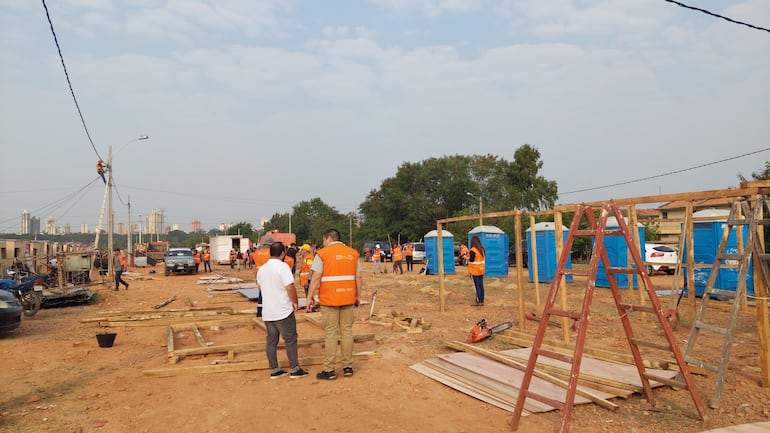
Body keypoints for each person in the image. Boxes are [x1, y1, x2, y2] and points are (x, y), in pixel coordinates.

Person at [306, 228, 361, 380]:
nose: (324, 243)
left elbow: (316, 277)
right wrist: (357, 296)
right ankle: (348, 367)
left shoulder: (323, 254)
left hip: (329, 300)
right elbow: (358, 277)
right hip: (348, 298)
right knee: (347, 332)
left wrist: (309, 297)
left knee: (331, 333)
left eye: (324, 240)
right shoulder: (353, 254)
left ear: (328, 238)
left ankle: (329, 370)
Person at [256, 241, 309, 379]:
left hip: (268, 312)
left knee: (271, 340)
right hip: (283, 310)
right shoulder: (283, 267)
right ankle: (294, 368)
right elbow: (290, 287)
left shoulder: (262, 269)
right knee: (290, 339)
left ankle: (274, 369)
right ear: (282, 253)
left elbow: (260, 287)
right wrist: (295, 302)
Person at [468, 236, 486, 306]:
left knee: (477, 286)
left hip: (474, 270)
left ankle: (478, 301)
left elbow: (472, 260)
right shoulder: (482, 249)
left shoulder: (473, 250)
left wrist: (467, 259)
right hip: (481, 270)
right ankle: (482, 300)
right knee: (481, 285)